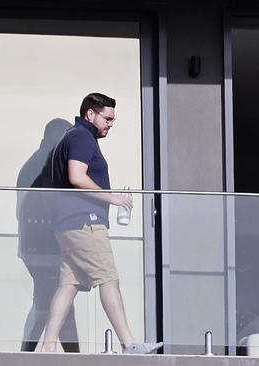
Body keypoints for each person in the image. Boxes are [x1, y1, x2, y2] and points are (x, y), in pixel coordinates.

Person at [39, 93, 162, 354]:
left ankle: (48, 346)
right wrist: (113, 198)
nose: (110, 124)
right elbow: (77, 176)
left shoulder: (71, 137)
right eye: (107, 118)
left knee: (68, 285)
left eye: (112, 120)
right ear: (90, 114)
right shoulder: (82, 137)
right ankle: (129, 344)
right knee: (108, 279)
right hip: (85, 223)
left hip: (67, 225)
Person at [16, 119, 79, 352]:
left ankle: (34, 353)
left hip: (37, 248)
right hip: (46, 249)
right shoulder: (46, 164)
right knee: (48, 306)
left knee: (52, 304)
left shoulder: (34, 163)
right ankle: (32, 354)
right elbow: (47, 203)